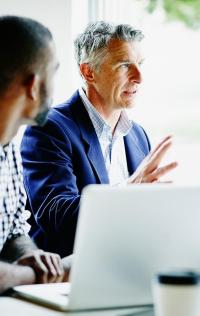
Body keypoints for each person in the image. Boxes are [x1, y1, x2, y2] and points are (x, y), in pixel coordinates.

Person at [21, 21, 178, 258]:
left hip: (130, 266)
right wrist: (129, 191)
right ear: (88, 72)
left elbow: (149, 214)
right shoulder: (49, 128)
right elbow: (58, 218)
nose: (139, 77)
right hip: (68, 278)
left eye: (140, 64)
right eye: (125, 65)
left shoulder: (137, 135)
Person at [0, 15, 69, 294]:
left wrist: (30, 254)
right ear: (33, 85)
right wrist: (34, 276)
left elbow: (14, 228)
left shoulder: (10, 150)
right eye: (54, 72)